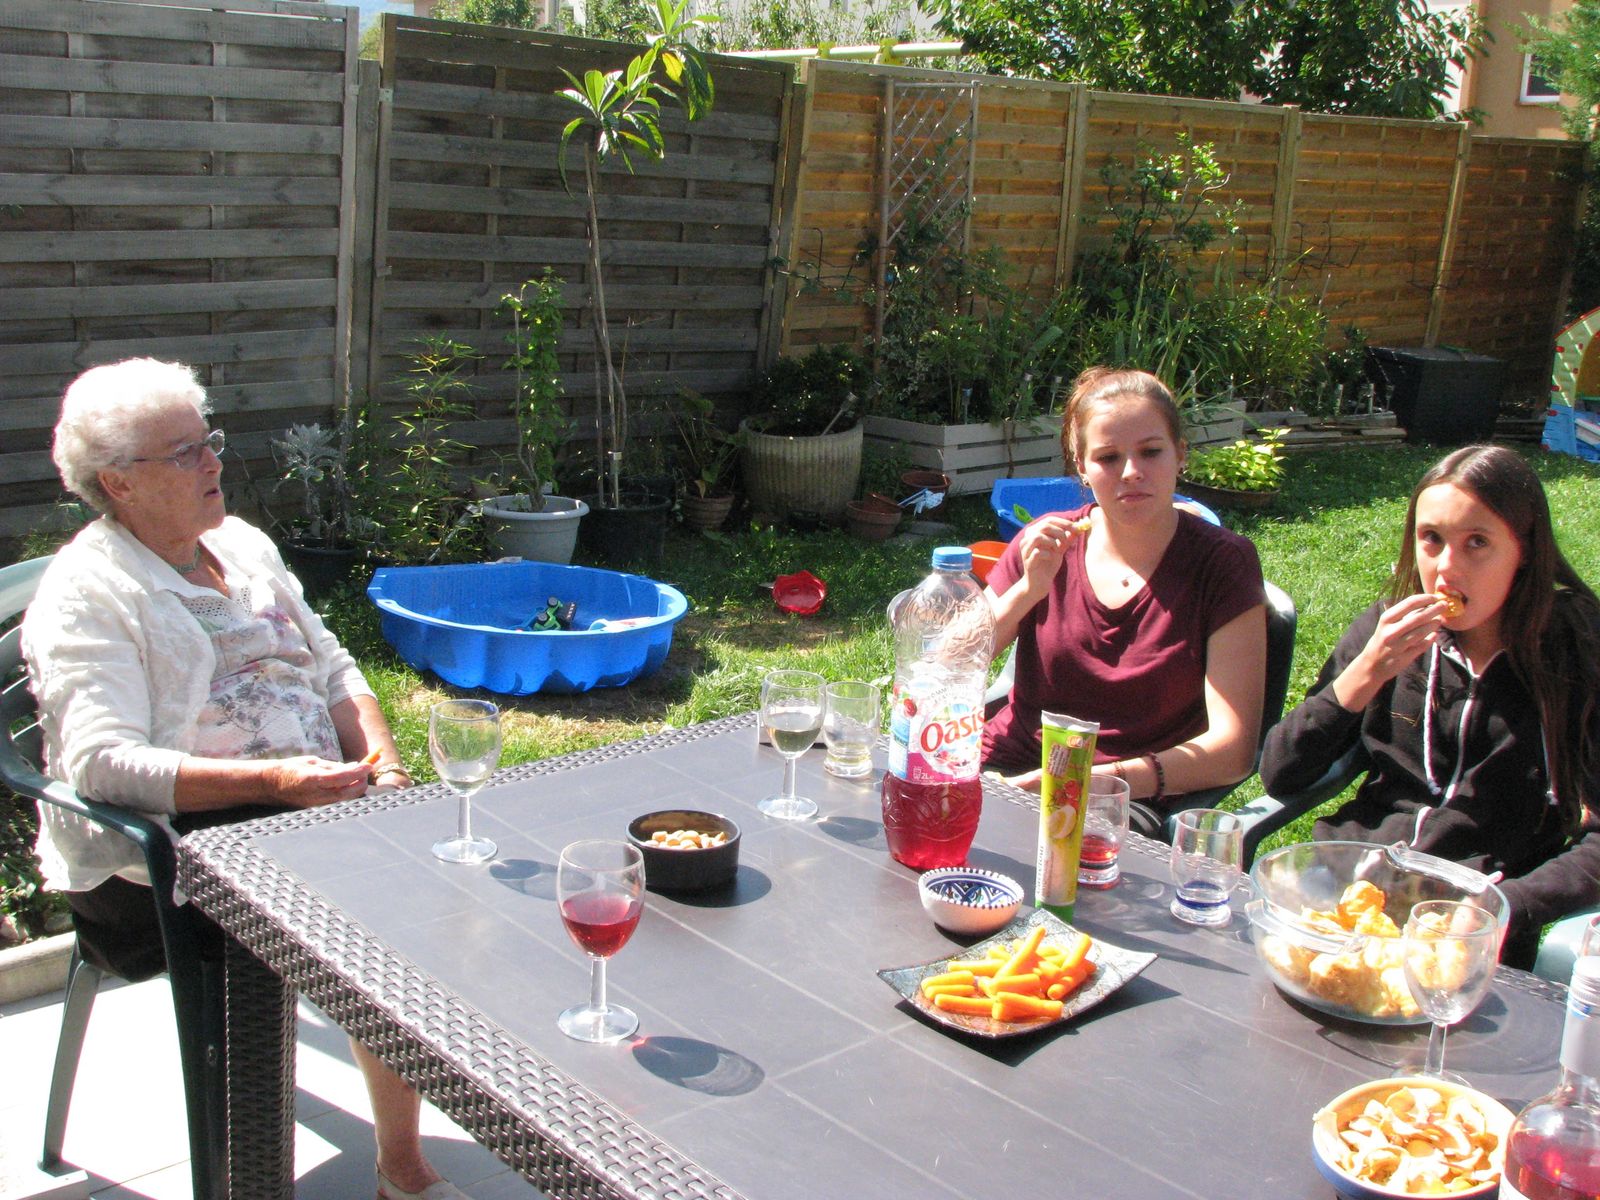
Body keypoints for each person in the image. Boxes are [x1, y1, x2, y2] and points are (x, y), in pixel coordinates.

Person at [22, 358, 466, 1200]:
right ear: (118, 483)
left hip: (312, 807)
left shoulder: (241, 545)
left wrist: (386, 765)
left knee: (451, 874)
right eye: (183, 453)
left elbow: (333, 667)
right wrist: (273, 783)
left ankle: (404, 1159)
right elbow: (102, 763)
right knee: (394, 919)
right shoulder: (89, 594)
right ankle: (392, 1170)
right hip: (167, 856)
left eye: (209, 441)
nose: (214, 463)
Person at [1260, 444, 1600, 971]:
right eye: (1432, 539)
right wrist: (1365, 673)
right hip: (1345, 891)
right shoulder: (1387, 631)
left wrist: (1509, 906)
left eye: (1477, 543)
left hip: (1471, 925)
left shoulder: (1573, 652)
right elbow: (1282, 772)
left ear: (1525, 551)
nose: (1446, 568)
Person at [981, 367, 1268, 835]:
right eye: (1109, 457)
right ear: (1082, 466)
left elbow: (1233, 752)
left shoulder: (1221, 564)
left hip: (1119, 798)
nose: (1131, 472)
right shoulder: (1046, 543)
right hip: (1006, 764)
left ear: (1180, 454)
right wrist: (1026, 591)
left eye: (1151, 451)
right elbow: (944, 665)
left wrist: (1083, 781)